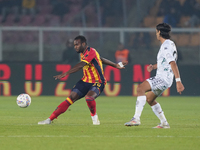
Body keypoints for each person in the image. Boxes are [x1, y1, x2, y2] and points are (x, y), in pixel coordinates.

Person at [38, 35, 128, 125]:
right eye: (74, 45)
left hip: (98, 82)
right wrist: (115, 65)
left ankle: (94, 117)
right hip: (85, 81)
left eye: (77, 45)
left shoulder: (91, 51)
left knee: (89, 98)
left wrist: (66, 73)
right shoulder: (83, 53)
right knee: (71, 98)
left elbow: (81, 65)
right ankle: (49, 119)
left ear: (83, 44)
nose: (75, 47)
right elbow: (100, 59)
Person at [124, 23, 185, 128]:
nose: (156, 34)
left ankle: (136, 119)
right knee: (149, 99)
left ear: (159, 32)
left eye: (156, 32)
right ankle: (164, 123)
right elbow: (166, 62)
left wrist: (178, 81)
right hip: (166, 78)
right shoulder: (170, 44)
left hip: (163, 78)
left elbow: (173, 63)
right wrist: (154, 67)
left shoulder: (165, 46)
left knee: (140, 89)